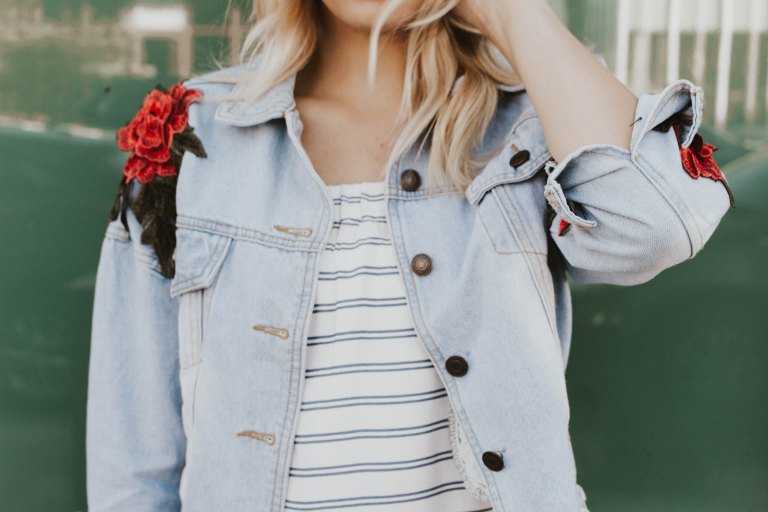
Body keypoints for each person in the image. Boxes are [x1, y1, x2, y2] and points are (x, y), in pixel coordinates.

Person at [85, 1, 735, 511]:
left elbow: (653, 230)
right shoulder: (191, 141)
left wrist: (506, 11)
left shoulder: (529, 134)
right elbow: (133, 466)